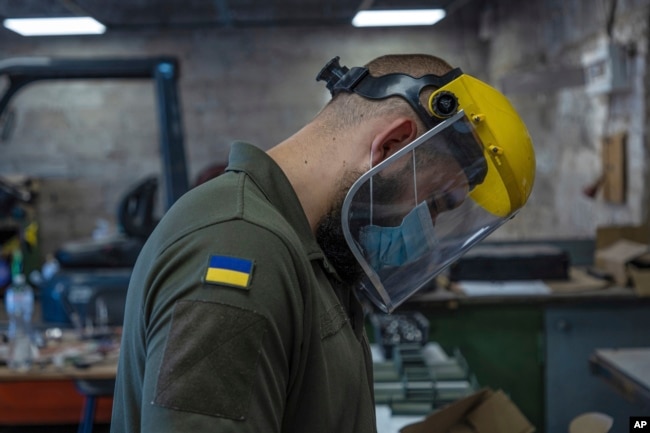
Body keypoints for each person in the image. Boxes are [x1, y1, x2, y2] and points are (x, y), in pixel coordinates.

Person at [111, 53, 535, 432]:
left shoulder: (313, 249)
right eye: (437, 202)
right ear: (392, 145)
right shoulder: (238, 249)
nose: (426, 230)